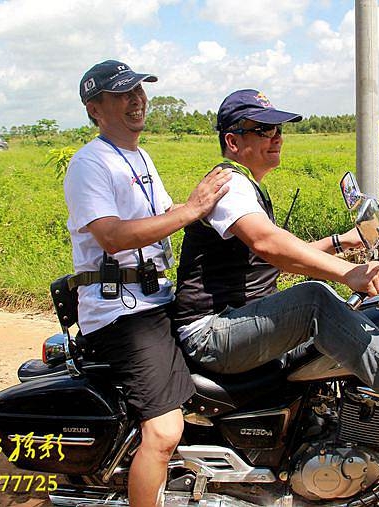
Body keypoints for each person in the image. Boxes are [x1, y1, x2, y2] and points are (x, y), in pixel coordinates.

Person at [173, 89, 379, 424]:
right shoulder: (229, 185)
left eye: (279, 130)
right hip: (211, 333)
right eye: (264, 130)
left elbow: (278, 256)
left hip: (236, 323)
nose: (277, 138)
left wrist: (344, 241)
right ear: (232, 141)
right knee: (315, 300)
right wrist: (349, 272)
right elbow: (268, 244)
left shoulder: (247, 186)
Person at [63, 60, 231, 507]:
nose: (137, 100)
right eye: (123, 94)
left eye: (139, 90)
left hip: (155, 297)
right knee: (164, 431)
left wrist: (216, 211)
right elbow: (112, 235)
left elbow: (162, 215)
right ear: (95, 109)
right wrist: (191, 210)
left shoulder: (139, 156)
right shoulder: (89, 164)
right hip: (122, 312)